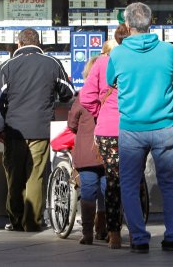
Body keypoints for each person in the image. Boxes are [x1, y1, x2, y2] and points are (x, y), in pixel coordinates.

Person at [106, 2, 173, 253]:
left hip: (131, 127)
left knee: (128, 183)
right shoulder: (167, 50)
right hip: (163, 125)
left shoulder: (118, 54)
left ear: (127, 26)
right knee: (169, 183)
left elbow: (110, 81)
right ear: (151, 23)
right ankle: (172, 236)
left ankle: (139, 238)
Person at [0, 28, 74, 232]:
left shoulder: (7, 66)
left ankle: (16, 220)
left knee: (14, 175)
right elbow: (68, 93)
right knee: (35, 175)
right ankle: (33, 221)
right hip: (40, 129)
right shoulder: (52, 63)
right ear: (39, 43)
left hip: (14, 131)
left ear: (19, 44)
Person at [80, 31, 127, 248]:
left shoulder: (101, 63)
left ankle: (114, 234)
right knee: (132, 182)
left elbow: (86, 97)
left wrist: (101, 112)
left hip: (108, 128)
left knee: (112, 181)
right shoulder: (138, 59)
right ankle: (135, 232)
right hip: (136, 126)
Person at [67, 57, 106, 245]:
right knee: (108, 190)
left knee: (88, 190)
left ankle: (88, 232)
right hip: (108, 151)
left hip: (87, 153)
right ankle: (105, 228)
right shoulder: (113, 94)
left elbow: (72, 124)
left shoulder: (82, 96)